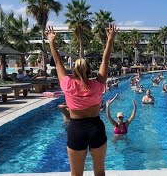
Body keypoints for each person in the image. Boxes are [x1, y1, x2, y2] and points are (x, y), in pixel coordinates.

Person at [47, 23, 117, 176]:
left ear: (74, 71)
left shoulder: (68, 85)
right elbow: (105, 60)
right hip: (96, 128)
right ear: (90, 71)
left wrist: (51, 42)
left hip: (76, 129)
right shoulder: (98, 85)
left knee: (76, 174)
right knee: (99, 172)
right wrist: (110, 39)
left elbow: (58, 62)